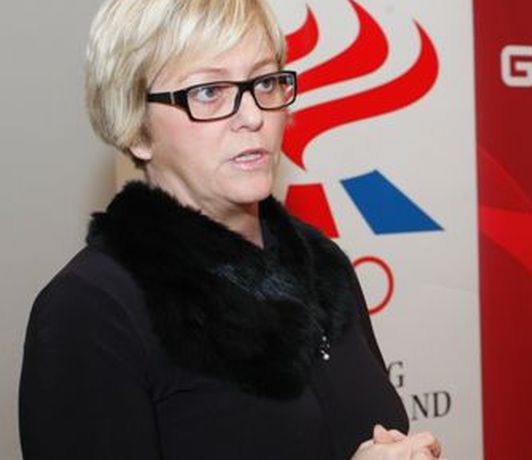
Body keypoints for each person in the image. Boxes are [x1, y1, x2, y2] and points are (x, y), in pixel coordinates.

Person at [18, 0, 444, 459]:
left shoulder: (324, 267)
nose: (253, 116)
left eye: (265, 82)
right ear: (136, 128)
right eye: (209, 91)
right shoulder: (91, 309)